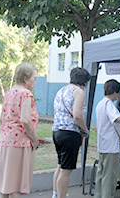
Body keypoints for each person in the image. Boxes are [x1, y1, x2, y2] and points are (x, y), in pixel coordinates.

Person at [0, 63, 39, 198]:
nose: (34, 81)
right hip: (19, 143)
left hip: (5, 141)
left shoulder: (9, 92)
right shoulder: (26, 94)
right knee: (16, 186)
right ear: (26, 79)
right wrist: (34, 139)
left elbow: (2, 117)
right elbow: (25, 119)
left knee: (6, 185)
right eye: (34, 78)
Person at [52, 67, 91, 198]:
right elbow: (77, 116)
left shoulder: (61, 90)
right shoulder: (78, 92)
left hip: (57, 132)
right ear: (85, 81)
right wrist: (85, 130)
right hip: (70, 133)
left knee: (60, 165)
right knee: (66, 170)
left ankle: (55, 194)